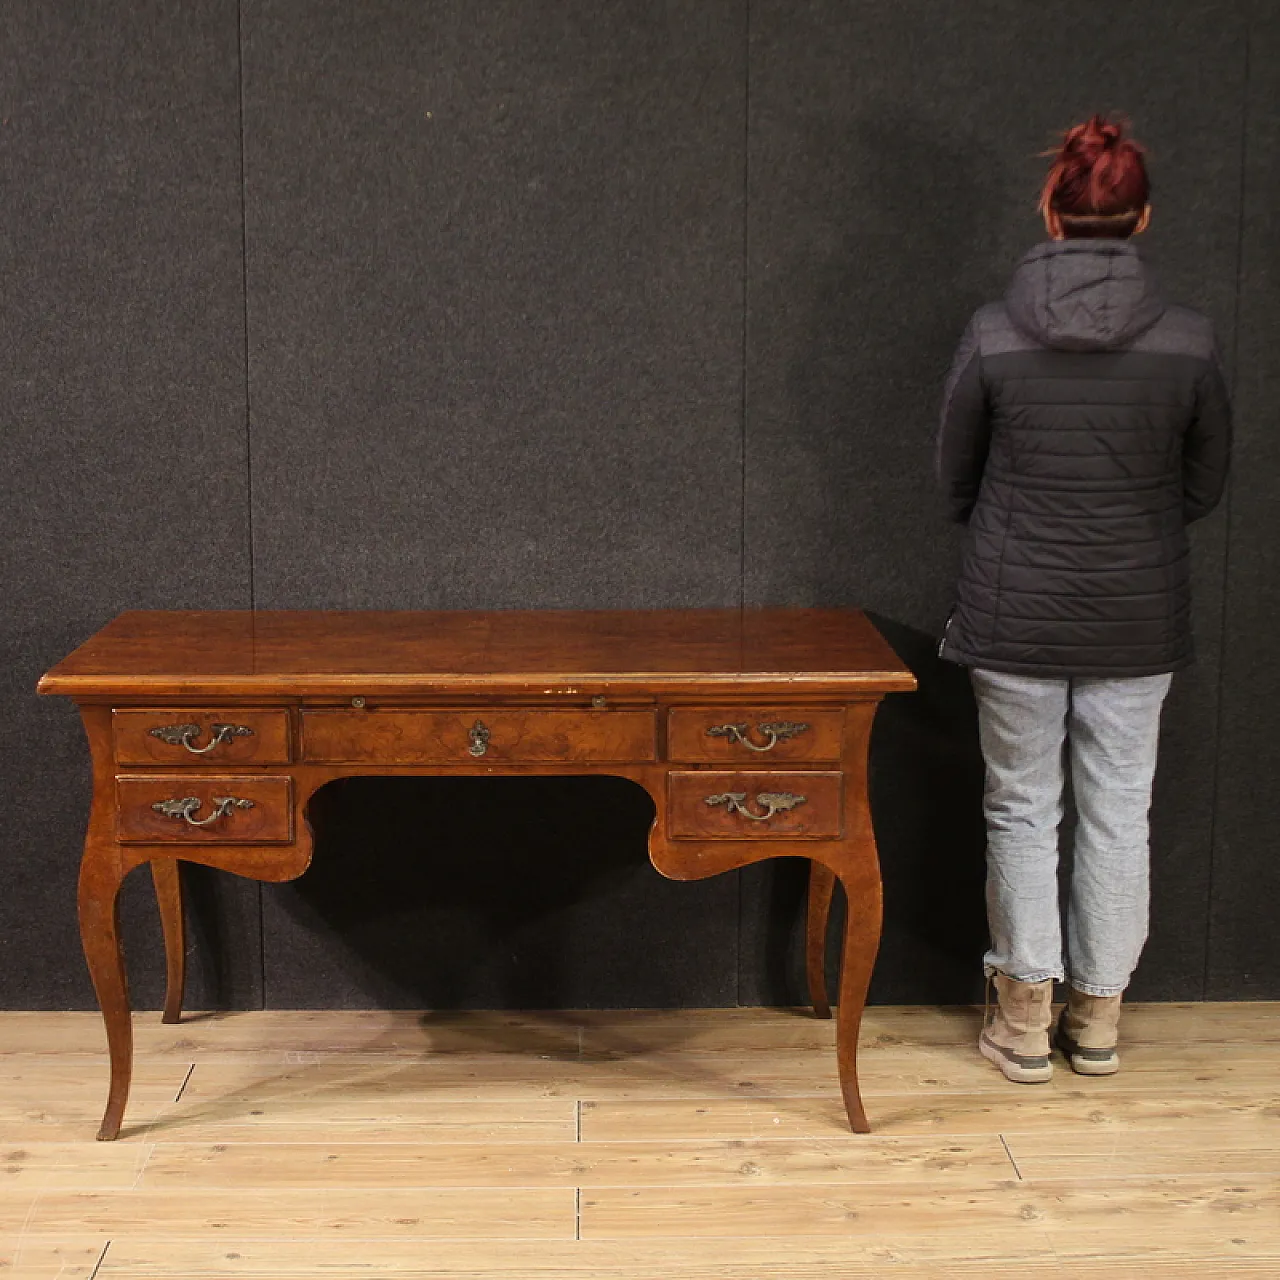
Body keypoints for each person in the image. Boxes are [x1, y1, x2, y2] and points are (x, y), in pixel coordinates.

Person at [935, 115, 1232, 1083]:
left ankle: (1022, 1018)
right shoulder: (1187, 340)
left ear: (1048, 214)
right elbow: (1202, 483)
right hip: (1136, 616)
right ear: (1140, 217)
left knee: (1021, 807)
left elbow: (954, 477)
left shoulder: (990, 331)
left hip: (1011, 610)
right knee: (1117, 812)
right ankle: (1095, 1019)